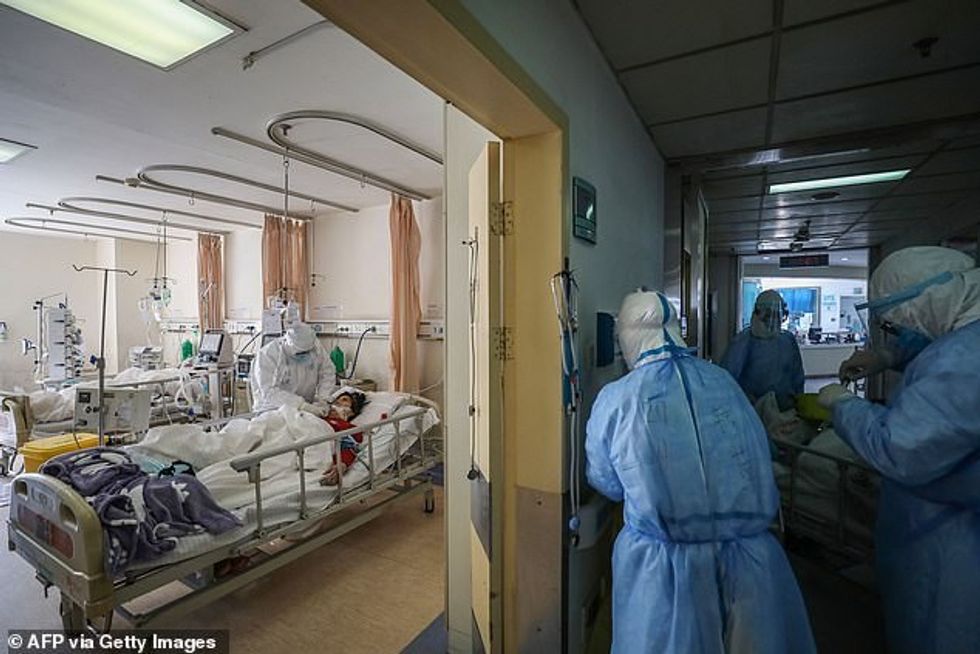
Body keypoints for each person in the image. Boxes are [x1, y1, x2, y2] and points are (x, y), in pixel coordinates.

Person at [586, 290, 815, 654]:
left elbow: (606, 482)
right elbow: (756, 454)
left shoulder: (618, 397)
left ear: (625, 338)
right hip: (752, 562)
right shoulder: (722, 381)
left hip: (664, 572)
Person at [818, 246, 980, 654]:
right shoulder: (961, 340)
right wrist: (887, 355)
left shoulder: (966, 359)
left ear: (928, 299)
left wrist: (843, 405)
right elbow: (930, 339)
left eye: (898, 321)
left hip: (952, 549)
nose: (897, 329)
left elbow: (898, 448)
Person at [721, 290, 804, 410]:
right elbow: (727, 378)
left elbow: (797, 377)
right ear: (757, 314)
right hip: (753, 411)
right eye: (767, 315)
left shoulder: (787, 340)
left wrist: (799, 401)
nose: (772, 320)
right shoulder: (744, 341)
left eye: (776, 315)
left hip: (785, 409)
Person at [250, 322, 336, 413]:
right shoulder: (268, 355)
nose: (305, 356)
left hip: (306, 410)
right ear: (289, 344)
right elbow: (269, 391)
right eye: (300, 353)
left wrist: (323, 399)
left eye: (308, 352)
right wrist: (301, 405)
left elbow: (327, 372)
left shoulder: (316, 347)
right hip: (272, 410)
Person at [319, 387, 369, 486]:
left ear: (351, 412)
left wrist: (342, 464)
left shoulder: (349, 428)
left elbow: (348, 447)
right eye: (335, 402)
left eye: (344, 401)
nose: (335, 405)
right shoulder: (318, 416)